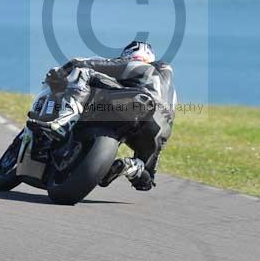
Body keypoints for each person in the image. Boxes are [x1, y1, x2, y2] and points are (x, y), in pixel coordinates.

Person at [39, 40, 175, 191]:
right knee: (145, 179)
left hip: (140, 102)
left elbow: (88, 63)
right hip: (161, 129)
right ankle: (130, 168)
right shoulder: (171, 90)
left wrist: (63, 71)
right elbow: (145, 185)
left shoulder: (141, 66)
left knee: (84, 73)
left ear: (130, 56)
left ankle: (65, 121)